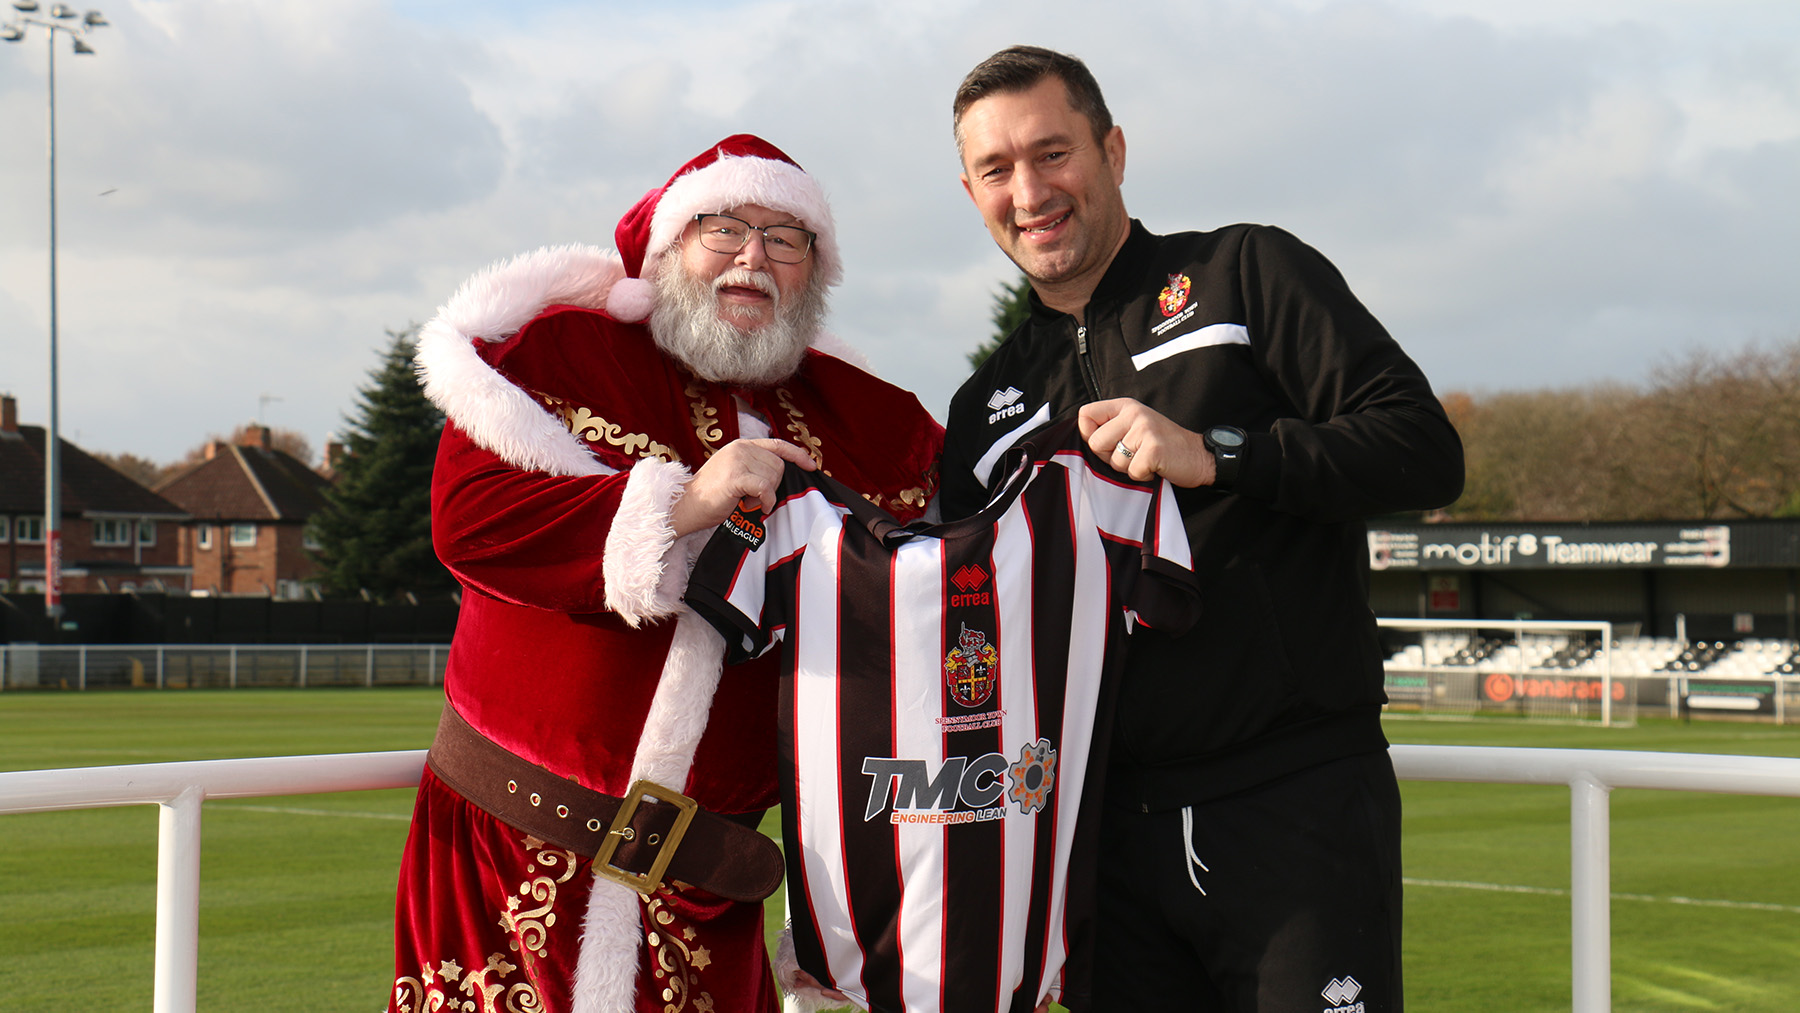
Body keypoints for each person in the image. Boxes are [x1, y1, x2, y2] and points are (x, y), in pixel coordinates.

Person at [940, 47, 1465, 1013]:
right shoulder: (983, 408)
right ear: (970, 190)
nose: (1030, 191)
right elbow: (961, 631)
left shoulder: (1246, 272)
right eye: (996, 169)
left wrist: (1218, 451)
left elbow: (1425, 450)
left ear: (1113, 149)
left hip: (1295, 806)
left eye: (1053, 152)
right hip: (1101, 846)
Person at [389, 134, 943, 1013]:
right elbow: (472, 522)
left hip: (711, 891)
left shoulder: (871, 422)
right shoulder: (558, 355)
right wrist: (684, 501)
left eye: (786, 239)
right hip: (509, 857)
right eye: (723, 229)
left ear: (815, 274)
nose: (753, 257)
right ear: (669, 249)